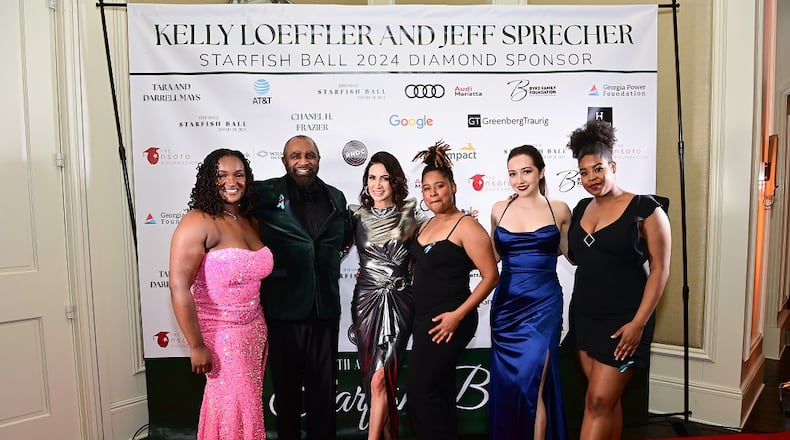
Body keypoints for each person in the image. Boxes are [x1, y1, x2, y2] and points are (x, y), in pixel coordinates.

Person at [564, 120, 671, 440]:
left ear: (613, 165)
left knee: (597, 401)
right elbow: (576, 256)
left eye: (598, 169)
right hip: (584, 317)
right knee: (606, 402)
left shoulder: (646, 210)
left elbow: (660, 269)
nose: (591, 178)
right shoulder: (581, 207)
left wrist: (638, 323)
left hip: (625, 321)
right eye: (584, 173)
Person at [168, 148, 274, 440]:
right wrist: (196, 345)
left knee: (245, 408)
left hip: (255, 330)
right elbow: (179, 285)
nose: (232, 181)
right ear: (208, 180)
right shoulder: (197, 222)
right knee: (232, 409)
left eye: (239, 174)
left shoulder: (248, 220)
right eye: (222, 175)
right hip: (222, 339)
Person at [253, 135, 352, 440]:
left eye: (310, 155)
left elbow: (342, 237)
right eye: (295, 156)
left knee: (324, 389)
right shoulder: (265, 193)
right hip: (284, 306)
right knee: (286, 391)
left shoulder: (336, 197)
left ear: (318, 159)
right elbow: (235, 220)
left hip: (324, 308)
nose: (303, 162)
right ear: (285, 161)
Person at [406, 141, 499, 440]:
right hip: (424, 320)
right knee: (439, 390)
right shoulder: (424, 226)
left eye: (439, 186)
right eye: (426, 188)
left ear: (454, 187)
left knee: (421, 391)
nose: (433, 193)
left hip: (450, 319)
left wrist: (457, 316)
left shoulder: (467, 227)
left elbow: (490, 276)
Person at [488, 145, 571, 440]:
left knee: (534, 383)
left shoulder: (558, 208)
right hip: (507, 305)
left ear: (541, 172)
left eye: (526, 171)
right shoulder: (500, 208)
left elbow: (570, 253)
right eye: (512, 173)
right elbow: (492, 258)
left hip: (544, 304)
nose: (519, 180)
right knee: (512, 384)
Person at [349, 151, 420, 440]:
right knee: (374, 378)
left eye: (384, 178)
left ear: (395, 181)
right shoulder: (356, 215)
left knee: (381, 377)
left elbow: (422, 256)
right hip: (365, 301)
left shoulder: (410, 213)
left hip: (400, 302)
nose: (377, 184)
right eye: (372, 177)